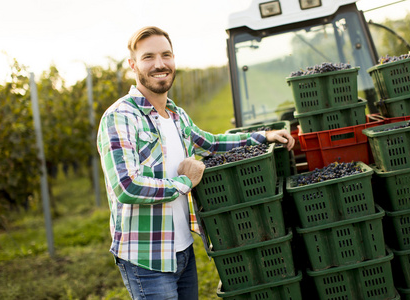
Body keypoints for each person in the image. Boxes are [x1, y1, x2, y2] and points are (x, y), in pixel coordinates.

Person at [96, 26, 295, 300]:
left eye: (166, 55)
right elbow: (126, 186)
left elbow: (211, 143)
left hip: (182, 249)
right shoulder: (120, 117)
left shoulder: (177, 115)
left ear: (174, 59)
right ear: (133, 65)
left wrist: (263, 136)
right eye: (148, 57)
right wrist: (184, 183)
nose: (159, 64)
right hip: (147, 258)